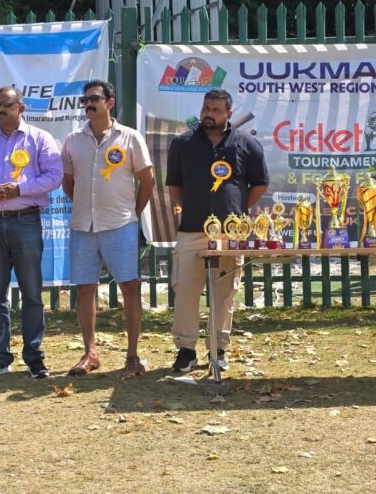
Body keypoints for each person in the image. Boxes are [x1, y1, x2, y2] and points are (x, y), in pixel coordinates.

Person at [0, 86, 62, 379]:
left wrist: (20, 189)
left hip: (25, 220)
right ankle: (0, 357)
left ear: (21, 107)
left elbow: (55, 176)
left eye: (6, 104)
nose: (0, 110)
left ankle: (34, 357)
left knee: (32, 293)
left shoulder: (39, 138)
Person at [166, 88, 269, 372]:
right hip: (192, 231)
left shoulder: (247, 144)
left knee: (224, 294)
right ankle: (186, 350)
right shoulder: (183, 143)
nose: (208, 114)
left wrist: (236, 212)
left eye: (215, 110)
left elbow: (260, 183)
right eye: (206, 108)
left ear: (228, 114)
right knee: (185, 290)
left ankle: (218, 349)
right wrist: (191, 208)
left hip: (229, 235)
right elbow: (174, 184)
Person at [60, 80, 155, 376]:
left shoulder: (130, 137)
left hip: (120, 224)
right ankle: (90, 354)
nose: (88, 104)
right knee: (85, 289)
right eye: (85, 100)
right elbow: (68, 181)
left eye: (94, 99)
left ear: (109, 103)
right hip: (83, 227)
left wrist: (132, 212)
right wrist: (86, 207)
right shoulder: (73, 139)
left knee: (130, 287)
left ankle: (132, 355)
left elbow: (148, 180)